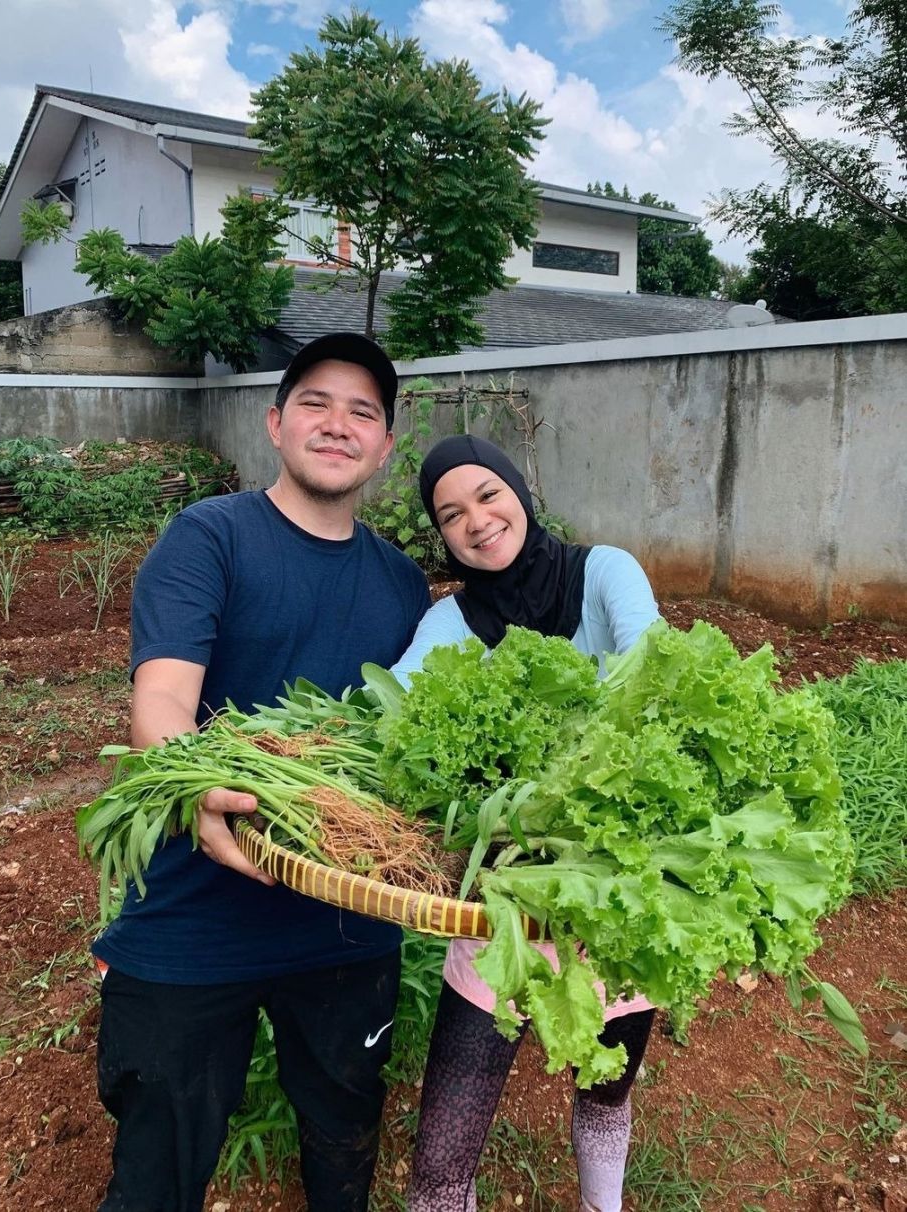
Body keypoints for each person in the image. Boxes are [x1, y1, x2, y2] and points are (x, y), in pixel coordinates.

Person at [91, 332, 432, 1212]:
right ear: (276, 423)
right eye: (316, 403)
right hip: (195, 909)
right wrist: (193, 785)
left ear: (385, 448)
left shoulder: (401, 583)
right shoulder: (210, 537)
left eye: (364, 412)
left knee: (345, 1126)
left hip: (348, 913)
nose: (338, 424)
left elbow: (413, 744)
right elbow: (163, 696)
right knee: (161, 1145)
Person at [390, 434, 660, 1212]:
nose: (475, 520)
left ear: (519, 491)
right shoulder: (453, 625)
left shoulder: (603, 571)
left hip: (623, 896)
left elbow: (650, 671)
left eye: (487, 494)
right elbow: (389, 709)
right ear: (440, 534)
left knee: (604, 1094)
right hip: (508, 902)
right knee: (441, 1161)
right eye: (450, 514)